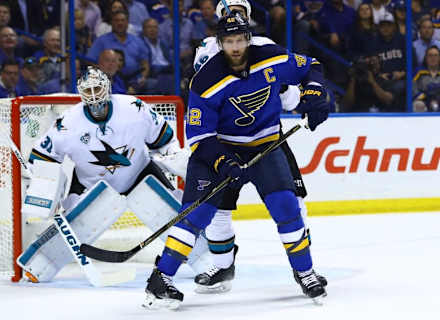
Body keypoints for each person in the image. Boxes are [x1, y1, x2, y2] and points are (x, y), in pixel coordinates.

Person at [143, 12, 329, 309]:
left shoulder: (270, 56)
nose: (236, 47)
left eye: (240, 40)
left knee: (287, 208)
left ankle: (305, 272)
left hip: (264, 146)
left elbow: (311, 67)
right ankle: (160, 278)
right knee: (197, 216)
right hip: (219, 149)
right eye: (229, 41)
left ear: (248, 39)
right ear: (220, 43)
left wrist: (316, 94)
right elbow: (199, 138)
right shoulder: (205, 80)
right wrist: (223, 162)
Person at [17, 67, 209, 283]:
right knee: (76, 226)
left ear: (107, 87)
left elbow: (164, 140)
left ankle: (207, 262)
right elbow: (43, 158)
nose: (93, 95)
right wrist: (45, 184)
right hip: (91, 184)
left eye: (97, 88)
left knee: (171, 214)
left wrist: (176, 161)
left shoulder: (134, 109)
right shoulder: (67, 123)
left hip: (140, 173)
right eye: (88, 91)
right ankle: (40, 266)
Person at [191, 0, 326, 294]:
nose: (235, 16)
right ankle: (223, 265)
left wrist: (306, 98)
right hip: (226, 142)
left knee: (292, 202)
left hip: (266, 136)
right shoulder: (206, 49)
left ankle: (305, 267)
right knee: (218, 210)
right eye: (229, 12)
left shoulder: (263, 44)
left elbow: (287, 78)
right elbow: (202, 91)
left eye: (240, 11)